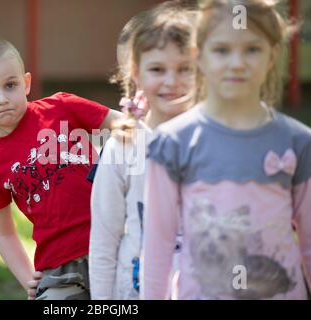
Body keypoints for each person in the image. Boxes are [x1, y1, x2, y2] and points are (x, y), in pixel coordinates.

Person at [142, 0, 311, 300]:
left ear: (273, 54)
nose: (237, 62)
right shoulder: (172, 143)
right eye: (222, 50)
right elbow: (158, 246)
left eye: (252, 49)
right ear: (199, 55)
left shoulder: (299, 142)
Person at [0, 38, 121, 300]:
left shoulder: (61, 107)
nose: (2, 99)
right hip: (59, 265)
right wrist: (26, 278)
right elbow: (2, 232)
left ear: (26, 83)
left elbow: (119, 123)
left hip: (112, 240)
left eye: (10, 85)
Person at [89, 4, 197, 300]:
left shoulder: (211, 141)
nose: (171, 81)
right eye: (158, 69)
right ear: (136, 73)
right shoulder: (122, 146)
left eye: (185, 69)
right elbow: (104, 240)